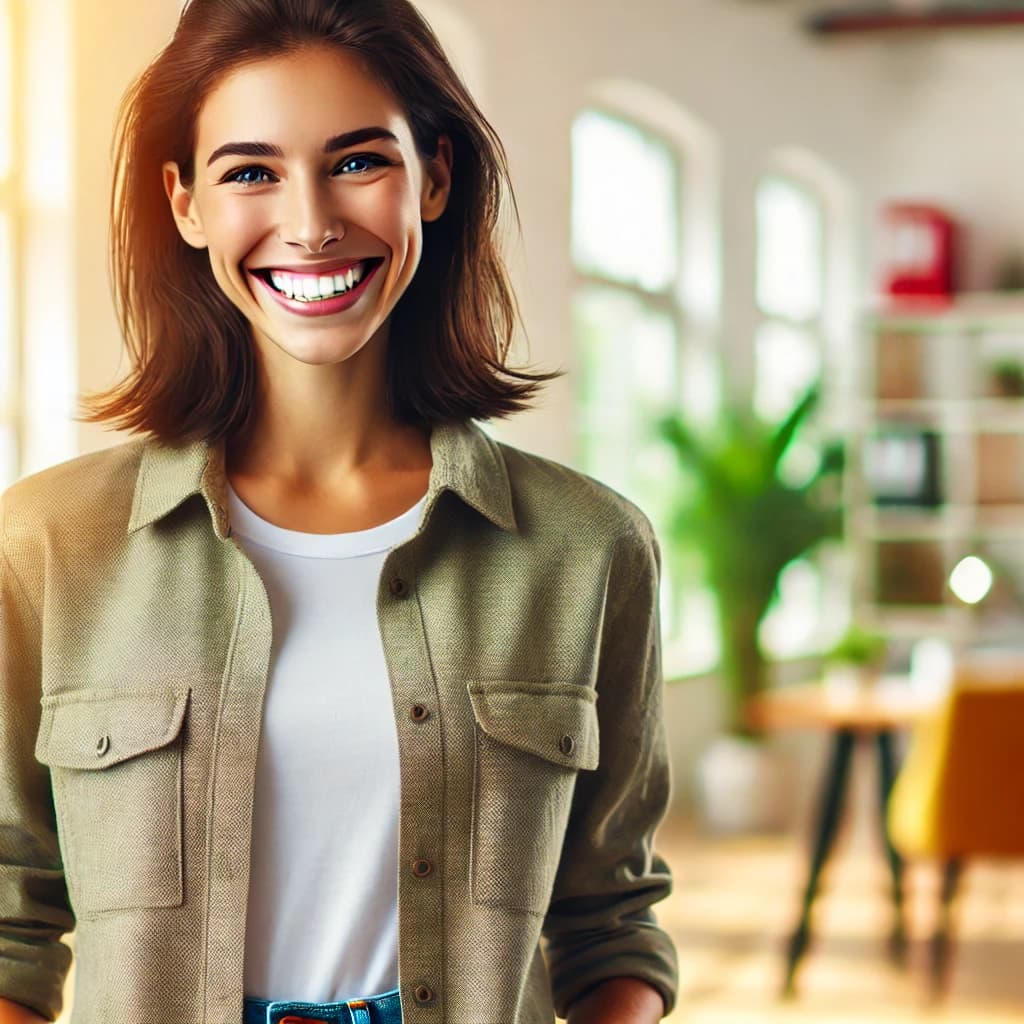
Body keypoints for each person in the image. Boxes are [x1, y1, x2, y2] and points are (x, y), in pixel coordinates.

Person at [0, 1, 679, 1022]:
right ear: (184, 202)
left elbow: (608, 918)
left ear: (435, 178)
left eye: (359, 161)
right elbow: (8, 920)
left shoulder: (589, 549)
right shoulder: (47, 545)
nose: (311, 221)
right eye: (251, 171)